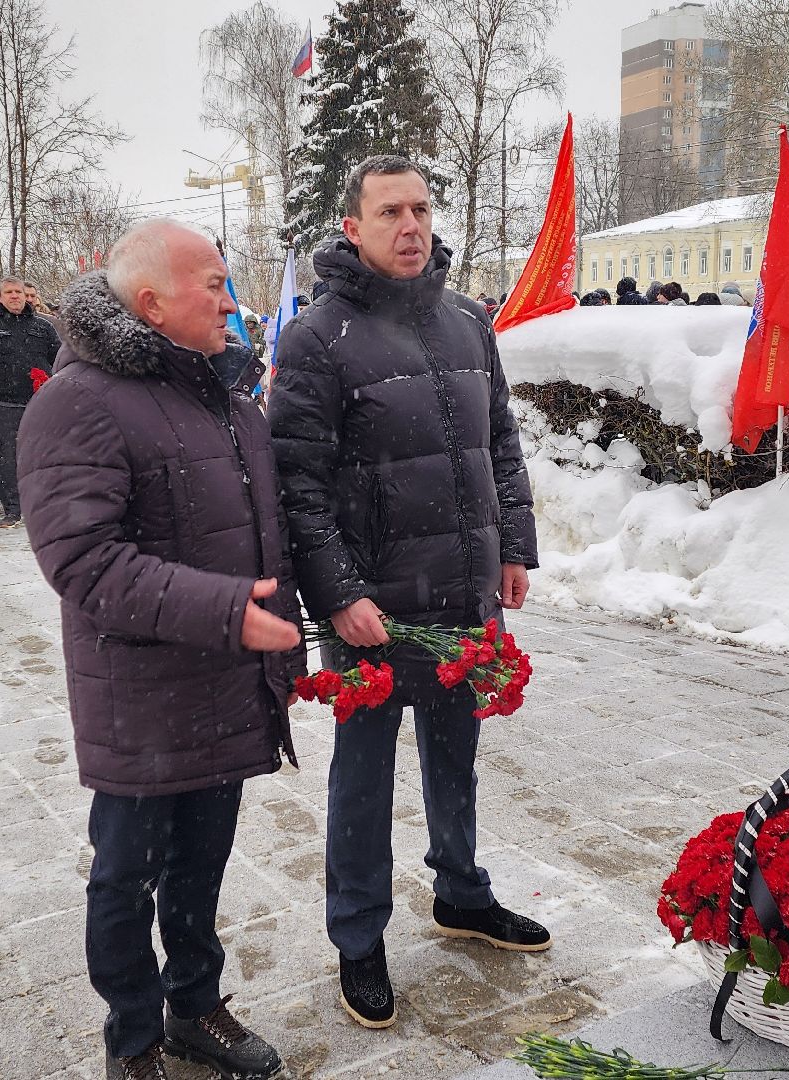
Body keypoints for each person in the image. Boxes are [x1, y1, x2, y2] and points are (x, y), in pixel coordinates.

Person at [17, 221, 303, 1080]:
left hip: (225, 682)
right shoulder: (79, 402)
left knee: (201, 864)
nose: (231, 300)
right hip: (142, 695)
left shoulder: (228, 397)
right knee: (127, 878)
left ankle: (195, 1009)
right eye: (213, 284)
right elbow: (83, 561)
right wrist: (227, 613)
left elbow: (262, 535)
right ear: (151, 302)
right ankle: (133, 1039)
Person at [269, 155, 547, 1032]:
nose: (411, 225)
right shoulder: (318, 336)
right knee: (363, 777)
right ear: (351, 227)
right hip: (374, 605)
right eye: (390, 211)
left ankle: (462, 893)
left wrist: (512, 546)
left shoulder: (469, 320)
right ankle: (358, 936)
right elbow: (297, 483)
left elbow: (500, 443)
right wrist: (339, 593)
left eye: (421, 208)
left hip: (465, 589)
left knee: (457, 755)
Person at [0, 275, 60, 529]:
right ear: (0, 296)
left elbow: (60, 361)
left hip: (40, 403)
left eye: (18, 291)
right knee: (9, 459)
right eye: (8, 292)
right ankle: (13, 509)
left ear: (26, 294)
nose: (15, 296)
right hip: (4, 405)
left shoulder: (43, 326)